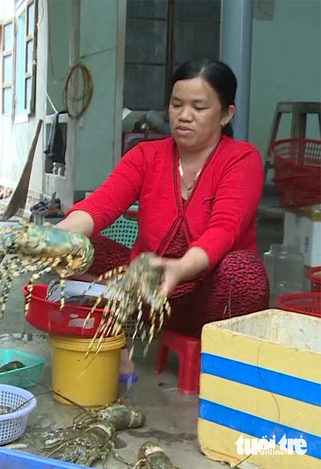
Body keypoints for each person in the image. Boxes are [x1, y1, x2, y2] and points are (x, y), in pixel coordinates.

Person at [55, 57, 270, 378]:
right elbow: (100, 205)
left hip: (209, 300)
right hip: (148, 295)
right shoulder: (145, 155)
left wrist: (180, 268)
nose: (184, 116)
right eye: (176, 104)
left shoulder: (241, 159)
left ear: (227, 114)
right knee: (78, 249)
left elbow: (223, 230)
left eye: (199, 107)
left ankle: (225, 364)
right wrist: (53, 239)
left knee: (244, 272)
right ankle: (114, 345)